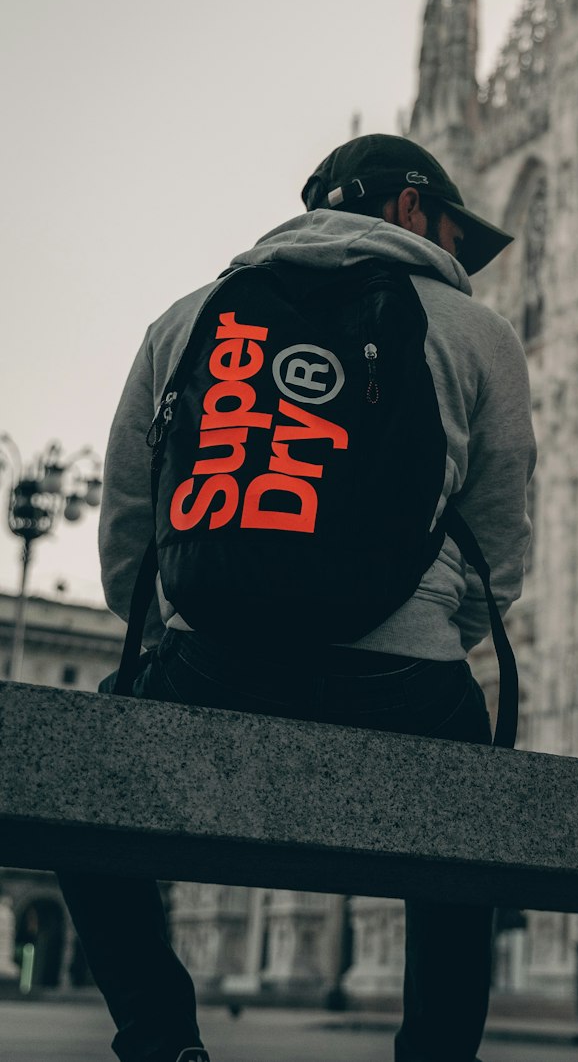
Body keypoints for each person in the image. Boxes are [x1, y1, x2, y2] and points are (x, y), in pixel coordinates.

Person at [57, 133, 537, 1062]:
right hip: (406, 683)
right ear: (407, 209)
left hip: (210, 666)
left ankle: (162, 1035)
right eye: (450, 230)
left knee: (79, 774)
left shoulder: (189, 318)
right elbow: (500, 555)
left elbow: (130, 532)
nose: (457, 255)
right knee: (470, 813)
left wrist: (184, 631)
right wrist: (423, 628)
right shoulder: (477, 332)